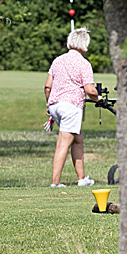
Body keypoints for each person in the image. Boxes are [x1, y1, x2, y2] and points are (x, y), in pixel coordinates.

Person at [44, 28, 98, 188]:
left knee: (77, 139)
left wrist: (49, 104)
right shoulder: (83, 63)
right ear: (84, 44)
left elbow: (48, 86)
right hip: (71, 107)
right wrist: (98, 97)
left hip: (55, 105)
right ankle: (55, 183)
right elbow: (90, 90)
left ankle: (82, 179)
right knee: (63, 142)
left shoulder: (58, 60)